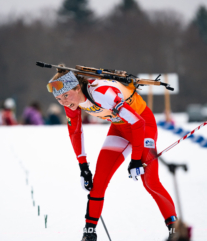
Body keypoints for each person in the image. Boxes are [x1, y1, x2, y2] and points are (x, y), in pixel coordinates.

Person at [46, 66, 178, 241]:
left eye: (66, 95)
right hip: (120, 130)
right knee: (98, 182)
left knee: (150, 181)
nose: (63, 102)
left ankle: (175, 228)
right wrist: (83, 167)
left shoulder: (103, 93)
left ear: (77, 87)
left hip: (144, 126)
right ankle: (89, 233)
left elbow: (138, 123)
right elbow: (75, 133)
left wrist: (136, 159)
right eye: (58, 99)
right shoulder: (72, 101)